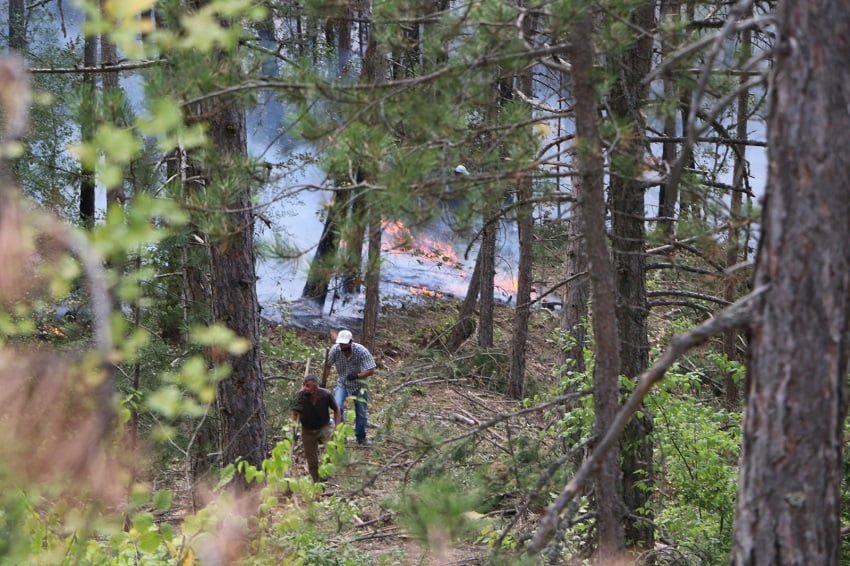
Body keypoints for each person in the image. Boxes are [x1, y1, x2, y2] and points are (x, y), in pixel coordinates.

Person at [322, 329, 376, 446]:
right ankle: (342, 435)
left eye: (345, 345)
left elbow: (371, 370)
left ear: (351, 342)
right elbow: (328, 366)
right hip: (343, 383)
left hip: (359, 384)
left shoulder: (361, 351)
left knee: (361, 411)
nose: (343, 348)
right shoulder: (335, 350)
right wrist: (324, 382)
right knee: (338, 407)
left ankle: (361, 437)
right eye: (341, 345)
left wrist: (358, 375)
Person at [291, 375, 340, 482]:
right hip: (307, 430)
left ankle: (326, 471)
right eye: (303, 385)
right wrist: (294, 430)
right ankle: (316, 480)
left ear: (315, 387)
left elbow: (336, 410)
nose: (304, 388)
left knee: (331, 448)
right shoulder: (299, 396)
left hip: (324, 426)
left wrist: (337, 427)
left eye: (307, 386)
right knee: (311, 458)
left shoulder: (326, 395)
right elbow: (294, 415)